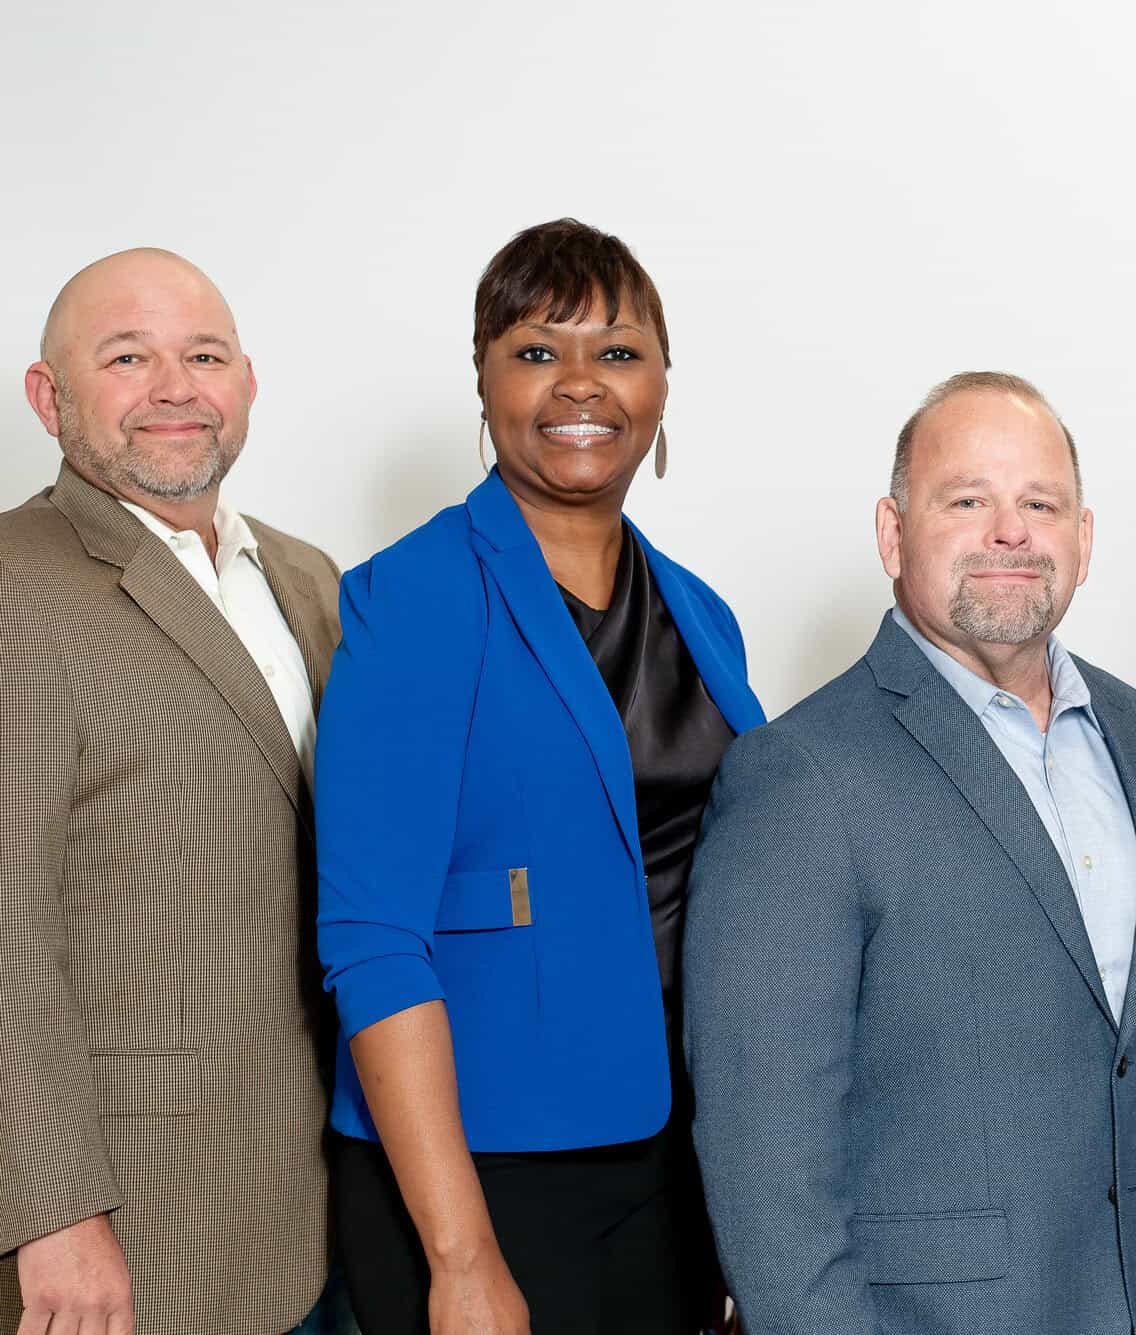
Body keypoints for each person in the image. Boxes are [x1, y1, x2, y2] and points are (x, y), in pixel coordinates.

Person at [683, 371, 1136, 1335]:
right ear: (893, 534)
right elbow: (769, 1170)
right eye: (967, 499)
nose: (1009, 532)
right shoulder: (799, 778)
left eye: (1039, 503)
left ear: (1083, 540)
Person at [313, 218, 762, 1335]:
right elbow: (373, 939)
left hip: (673, 1156)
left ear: (662, 385)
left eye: (616, 352)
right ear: (482, 382)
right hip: (484, 1169)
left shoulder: (701, 613)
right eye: (533, 350)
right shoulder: (411, 599)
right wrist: (461, 1259)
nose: (580, 384)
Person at [0, 249, 345, 1333]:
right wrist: (51, 1215)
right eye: (127, 357)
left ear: (245, 381)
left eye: (202, 354)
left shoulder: (311, 579)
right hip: (132, 1228)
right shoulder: (15, 585)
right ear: (48, 397)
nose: (174, 387)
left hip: (332, 1202)